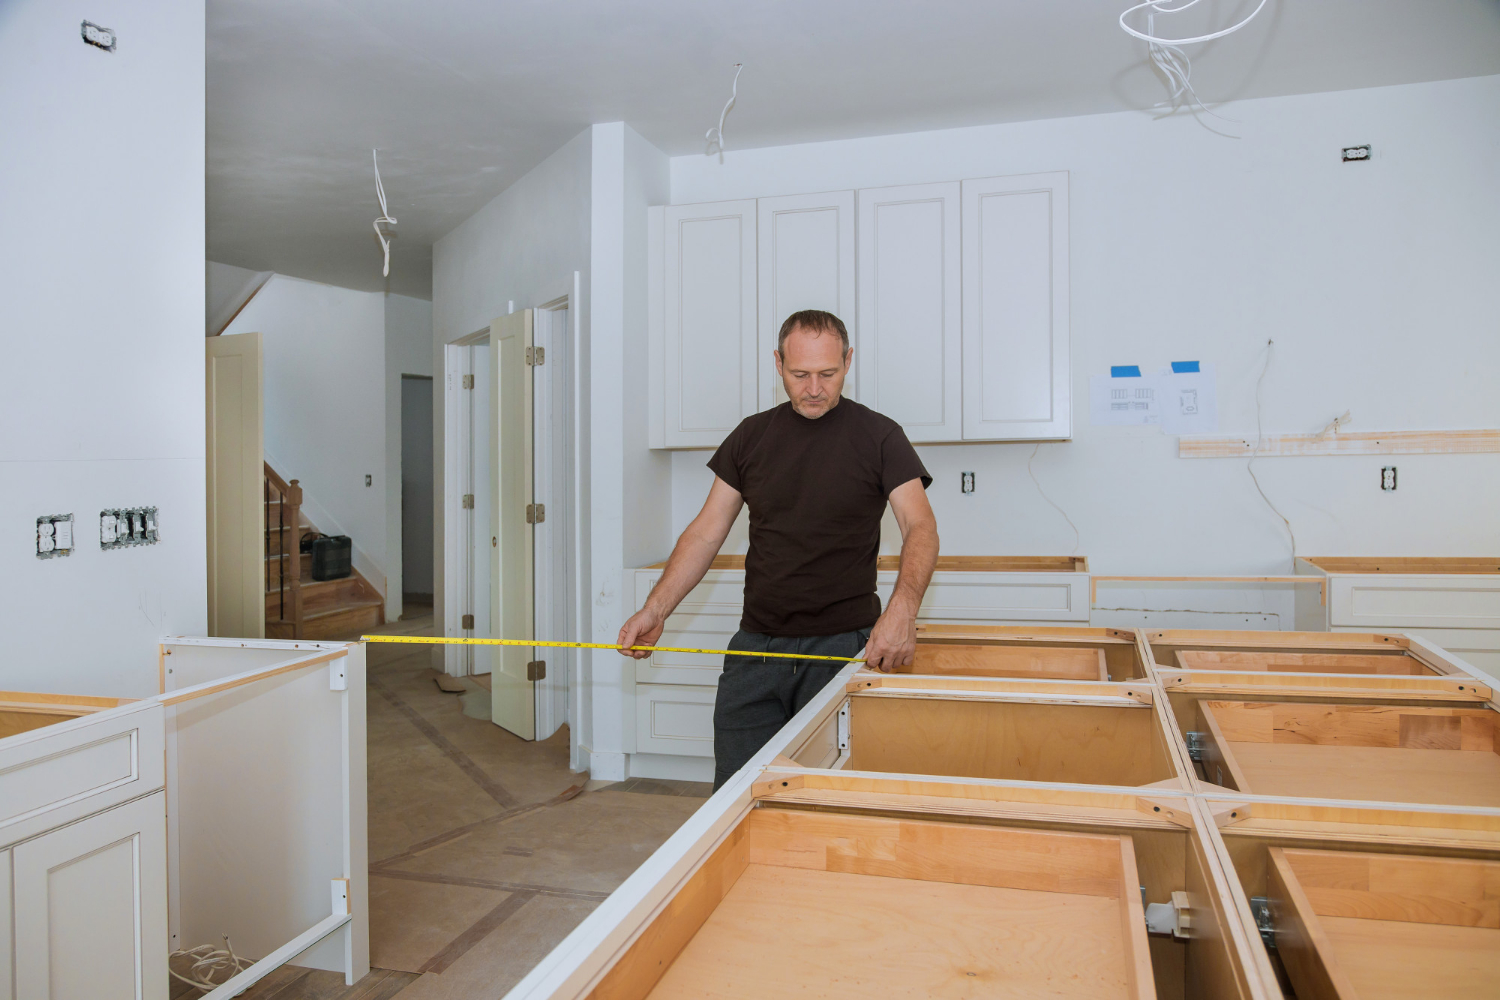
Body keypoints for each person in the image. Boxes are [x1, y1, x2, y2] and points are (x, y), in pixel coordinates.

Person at [618, 309, 938, 788]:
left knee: (831, 799)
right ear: (777, 364)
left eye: (827, 374)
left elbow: (920, 525)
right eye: (800, 374)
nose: (813, 388)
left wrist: (902, 610)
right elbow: (707, 531)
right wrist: (656, 608)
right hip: (756, 651)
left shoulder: (880, 436)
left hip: (844, 649)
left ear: (848, 362)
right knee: (736, 797)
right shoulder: (751, 436)